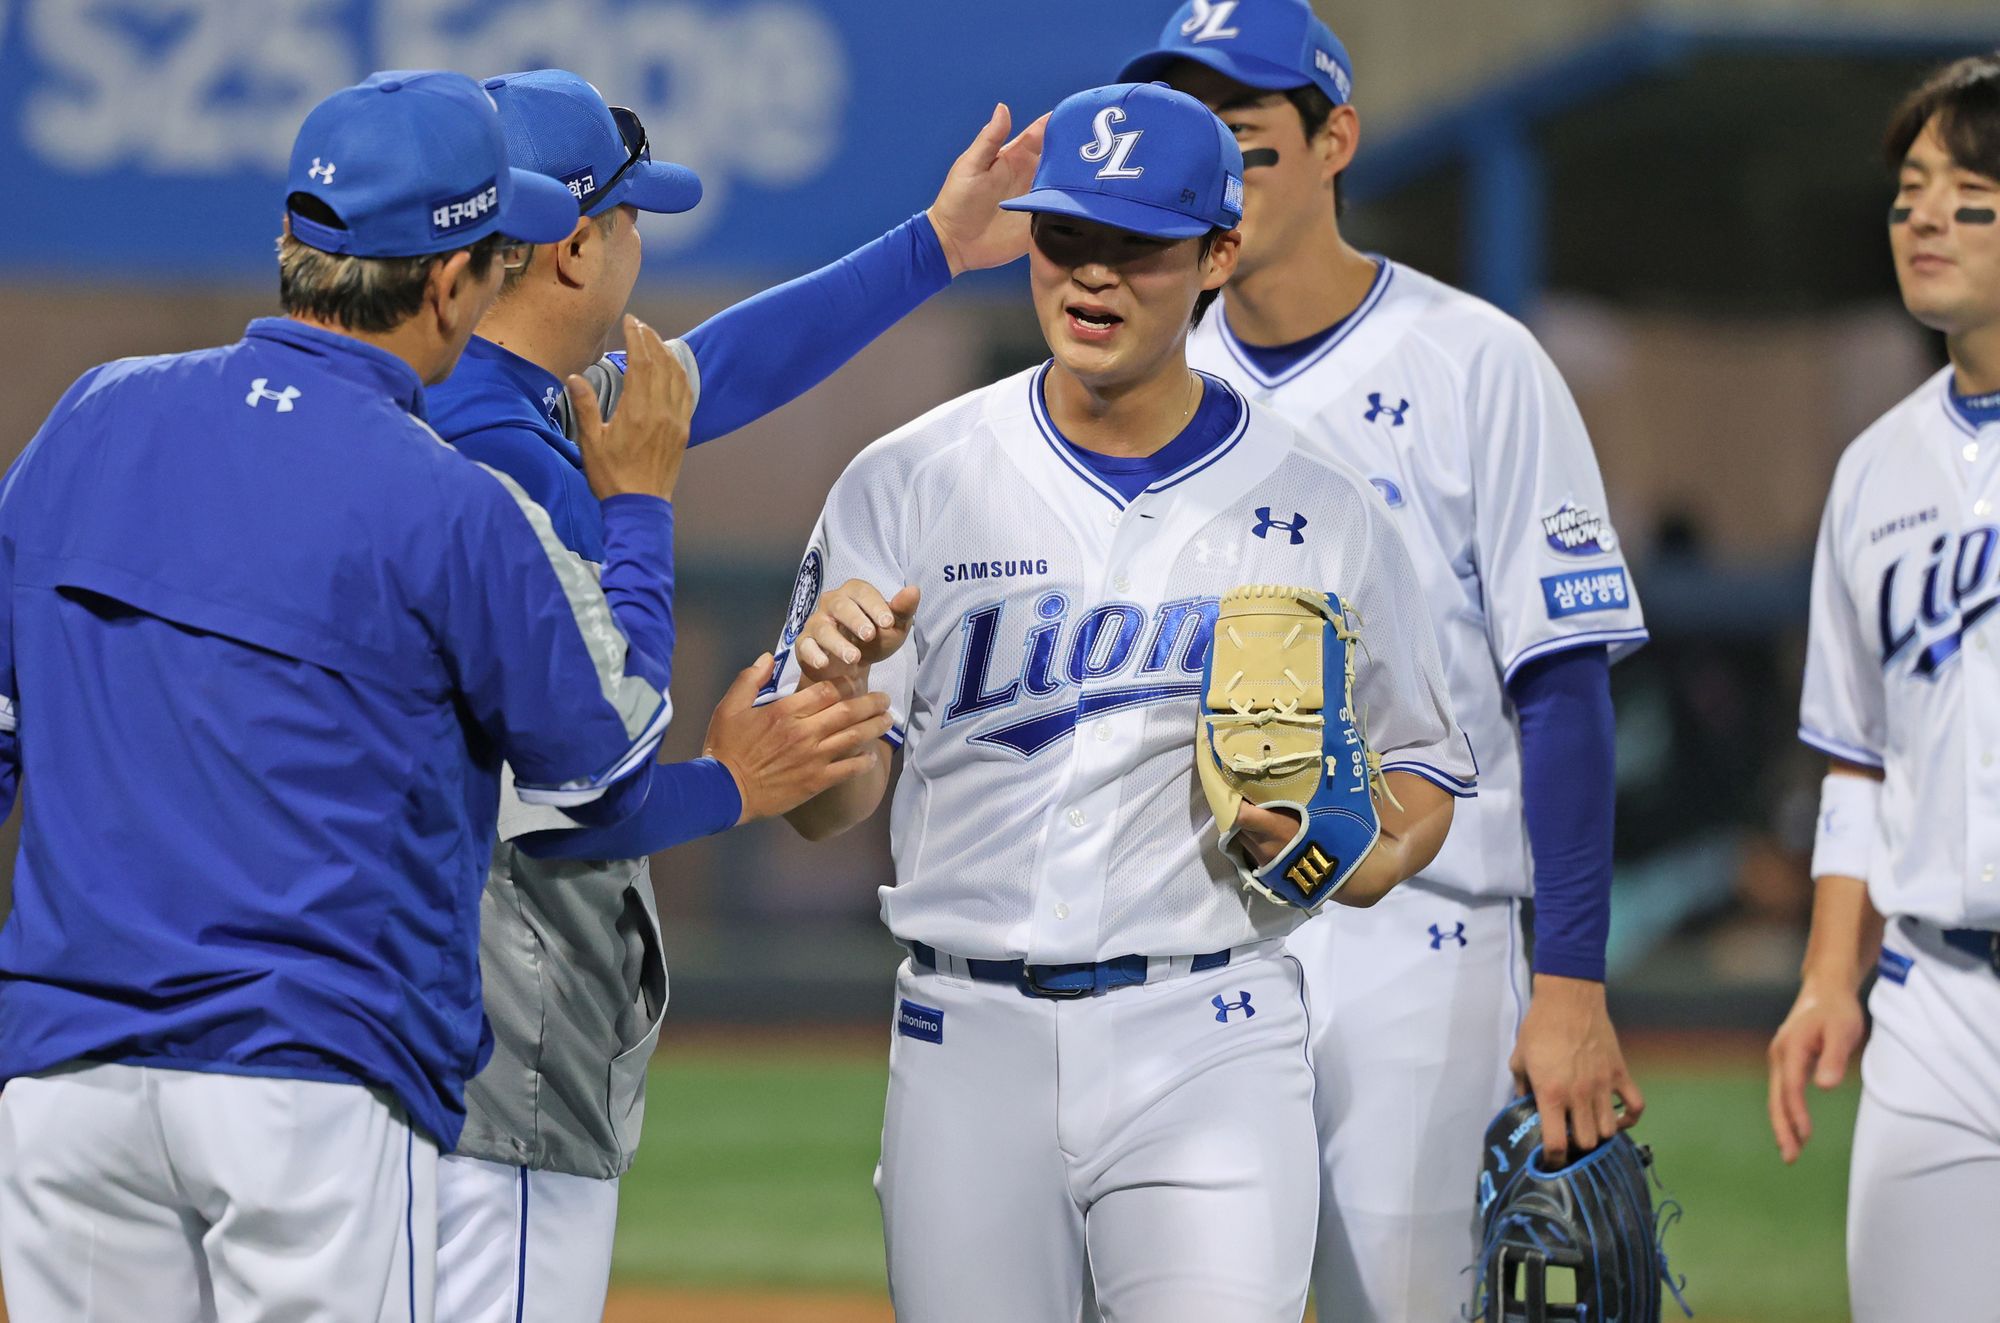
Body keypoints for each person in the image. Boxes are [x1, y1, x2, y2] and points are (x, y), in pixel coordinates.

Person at [0, 70, 872, 1323]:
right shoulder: (447, 500)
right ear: (458, 281)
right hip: (304, 1077)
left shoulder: (95, 415)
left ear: (296, 243)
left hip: (68, 1079)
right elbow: (607, 767)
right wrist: (635, 514)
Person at [772, 82, 1474, 1323]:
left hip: (1210, 1026)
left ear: (1214, 254)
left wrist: (1361, 854)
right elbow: (828, 813)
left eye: (1134, 245)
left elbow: (1423, 766)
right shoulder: (910, 479)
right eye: (1063, 237)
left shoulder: (1317, 503)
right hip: (962, 1035)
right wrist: (825, 699)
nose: (1089, 277)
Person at [419, 67, 1045, 1323]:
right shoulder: (501, 457)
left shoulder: (474, 403)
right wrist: (728, 787)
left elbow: (710, 370)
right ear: (576, 246)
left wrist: (930, 249)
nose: (645, 245)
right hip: (494, 1010)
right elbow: (576, 783)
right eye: (635, 216)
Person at [1117, 5, 1649, 1316]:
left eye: (1244, 144)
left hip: (1420, 932)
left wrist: (1571, 980)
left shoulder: (1476, 363)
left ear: (1335, 139)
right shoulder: (1142, 376)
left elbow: (1565, 689)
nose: (1215, 183)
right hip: (1188, 931)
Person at [1770, 51, 2000, 1322]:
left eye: (1970, 192)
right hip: (1931, 1003)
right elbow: (1854, 758)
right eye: (1910, 190)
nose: (1922, 216)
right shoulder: (1874, 472)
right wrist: (1823, 979)